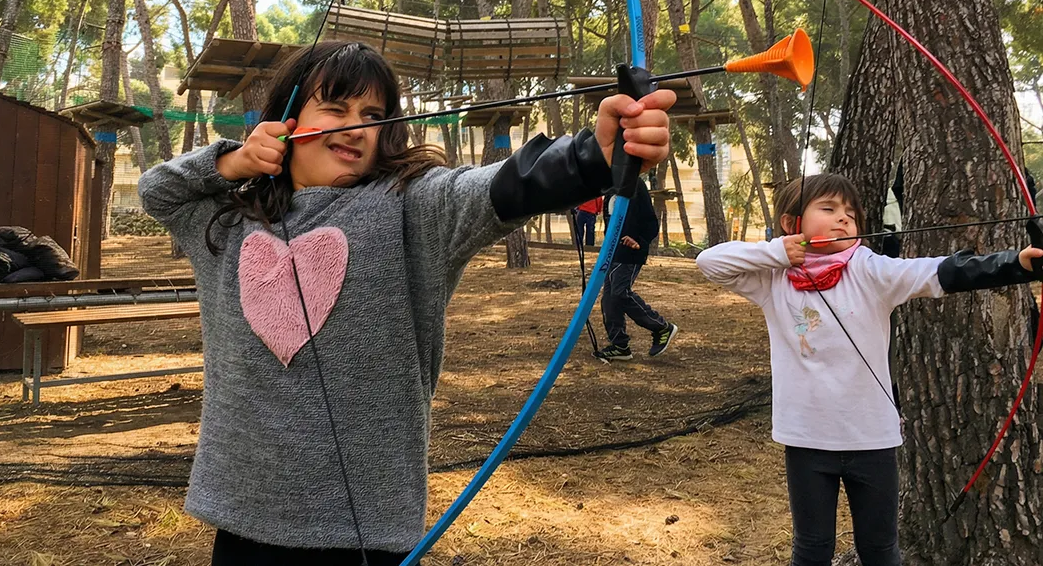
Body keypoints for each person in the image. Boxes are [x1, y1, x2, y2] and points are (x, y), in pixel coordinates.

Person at [138, 41, 675, 565]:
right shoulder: (227, 222)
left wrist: (593, 156)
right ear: (286, 120)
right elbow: (157, 189)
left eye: (373, 114)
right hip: (244, 511)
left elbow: (497, 188)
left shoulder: (410, 205)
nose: (356, 126)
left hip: (366, 527)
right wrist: (232, 162)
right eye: (335, 107)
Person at [696, 173, 1043, 566]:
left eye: (851, 214)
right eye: (828, 209)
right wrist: (779, 251)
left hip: (871, 439)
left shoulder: (870, 270)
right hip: (807, 438)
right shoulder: (772, 278)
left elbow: (938, 272)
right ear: (793, 224)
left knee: (880, 549)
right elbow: (709, 262)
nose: (844, 219)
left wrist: (1015, 263)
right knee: (811, 549)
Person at [593, 179, 678, 362]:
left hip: (632, 251)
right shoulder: (610, 189)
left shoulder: (635, 185)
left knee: (619, 293)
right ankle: (620, 346)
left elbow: (650, 223)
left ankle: (662, 327)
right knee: (609, 299)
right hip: (613, 252)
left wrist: (638, 239)